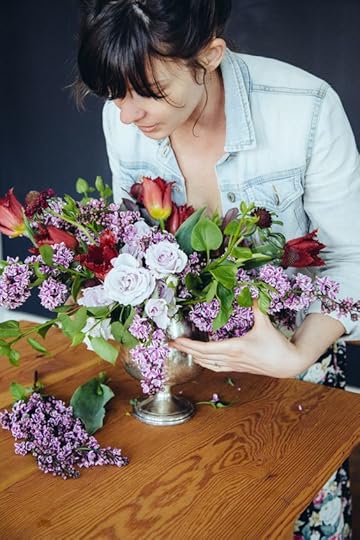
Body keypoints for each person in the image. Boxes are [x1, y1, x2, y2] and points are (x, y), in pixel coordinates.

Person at [76, 1, 360, 537]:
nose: (126, 114)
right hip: (178, 375)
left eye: (147, 91)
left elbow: (355, 261)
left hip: (292, 366)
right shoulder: (126, 117)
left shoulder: (307, 109)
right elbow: (124, 241)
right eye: (113, 93)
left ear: (209, 55)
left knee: (297, 516)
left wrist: (294, 354)